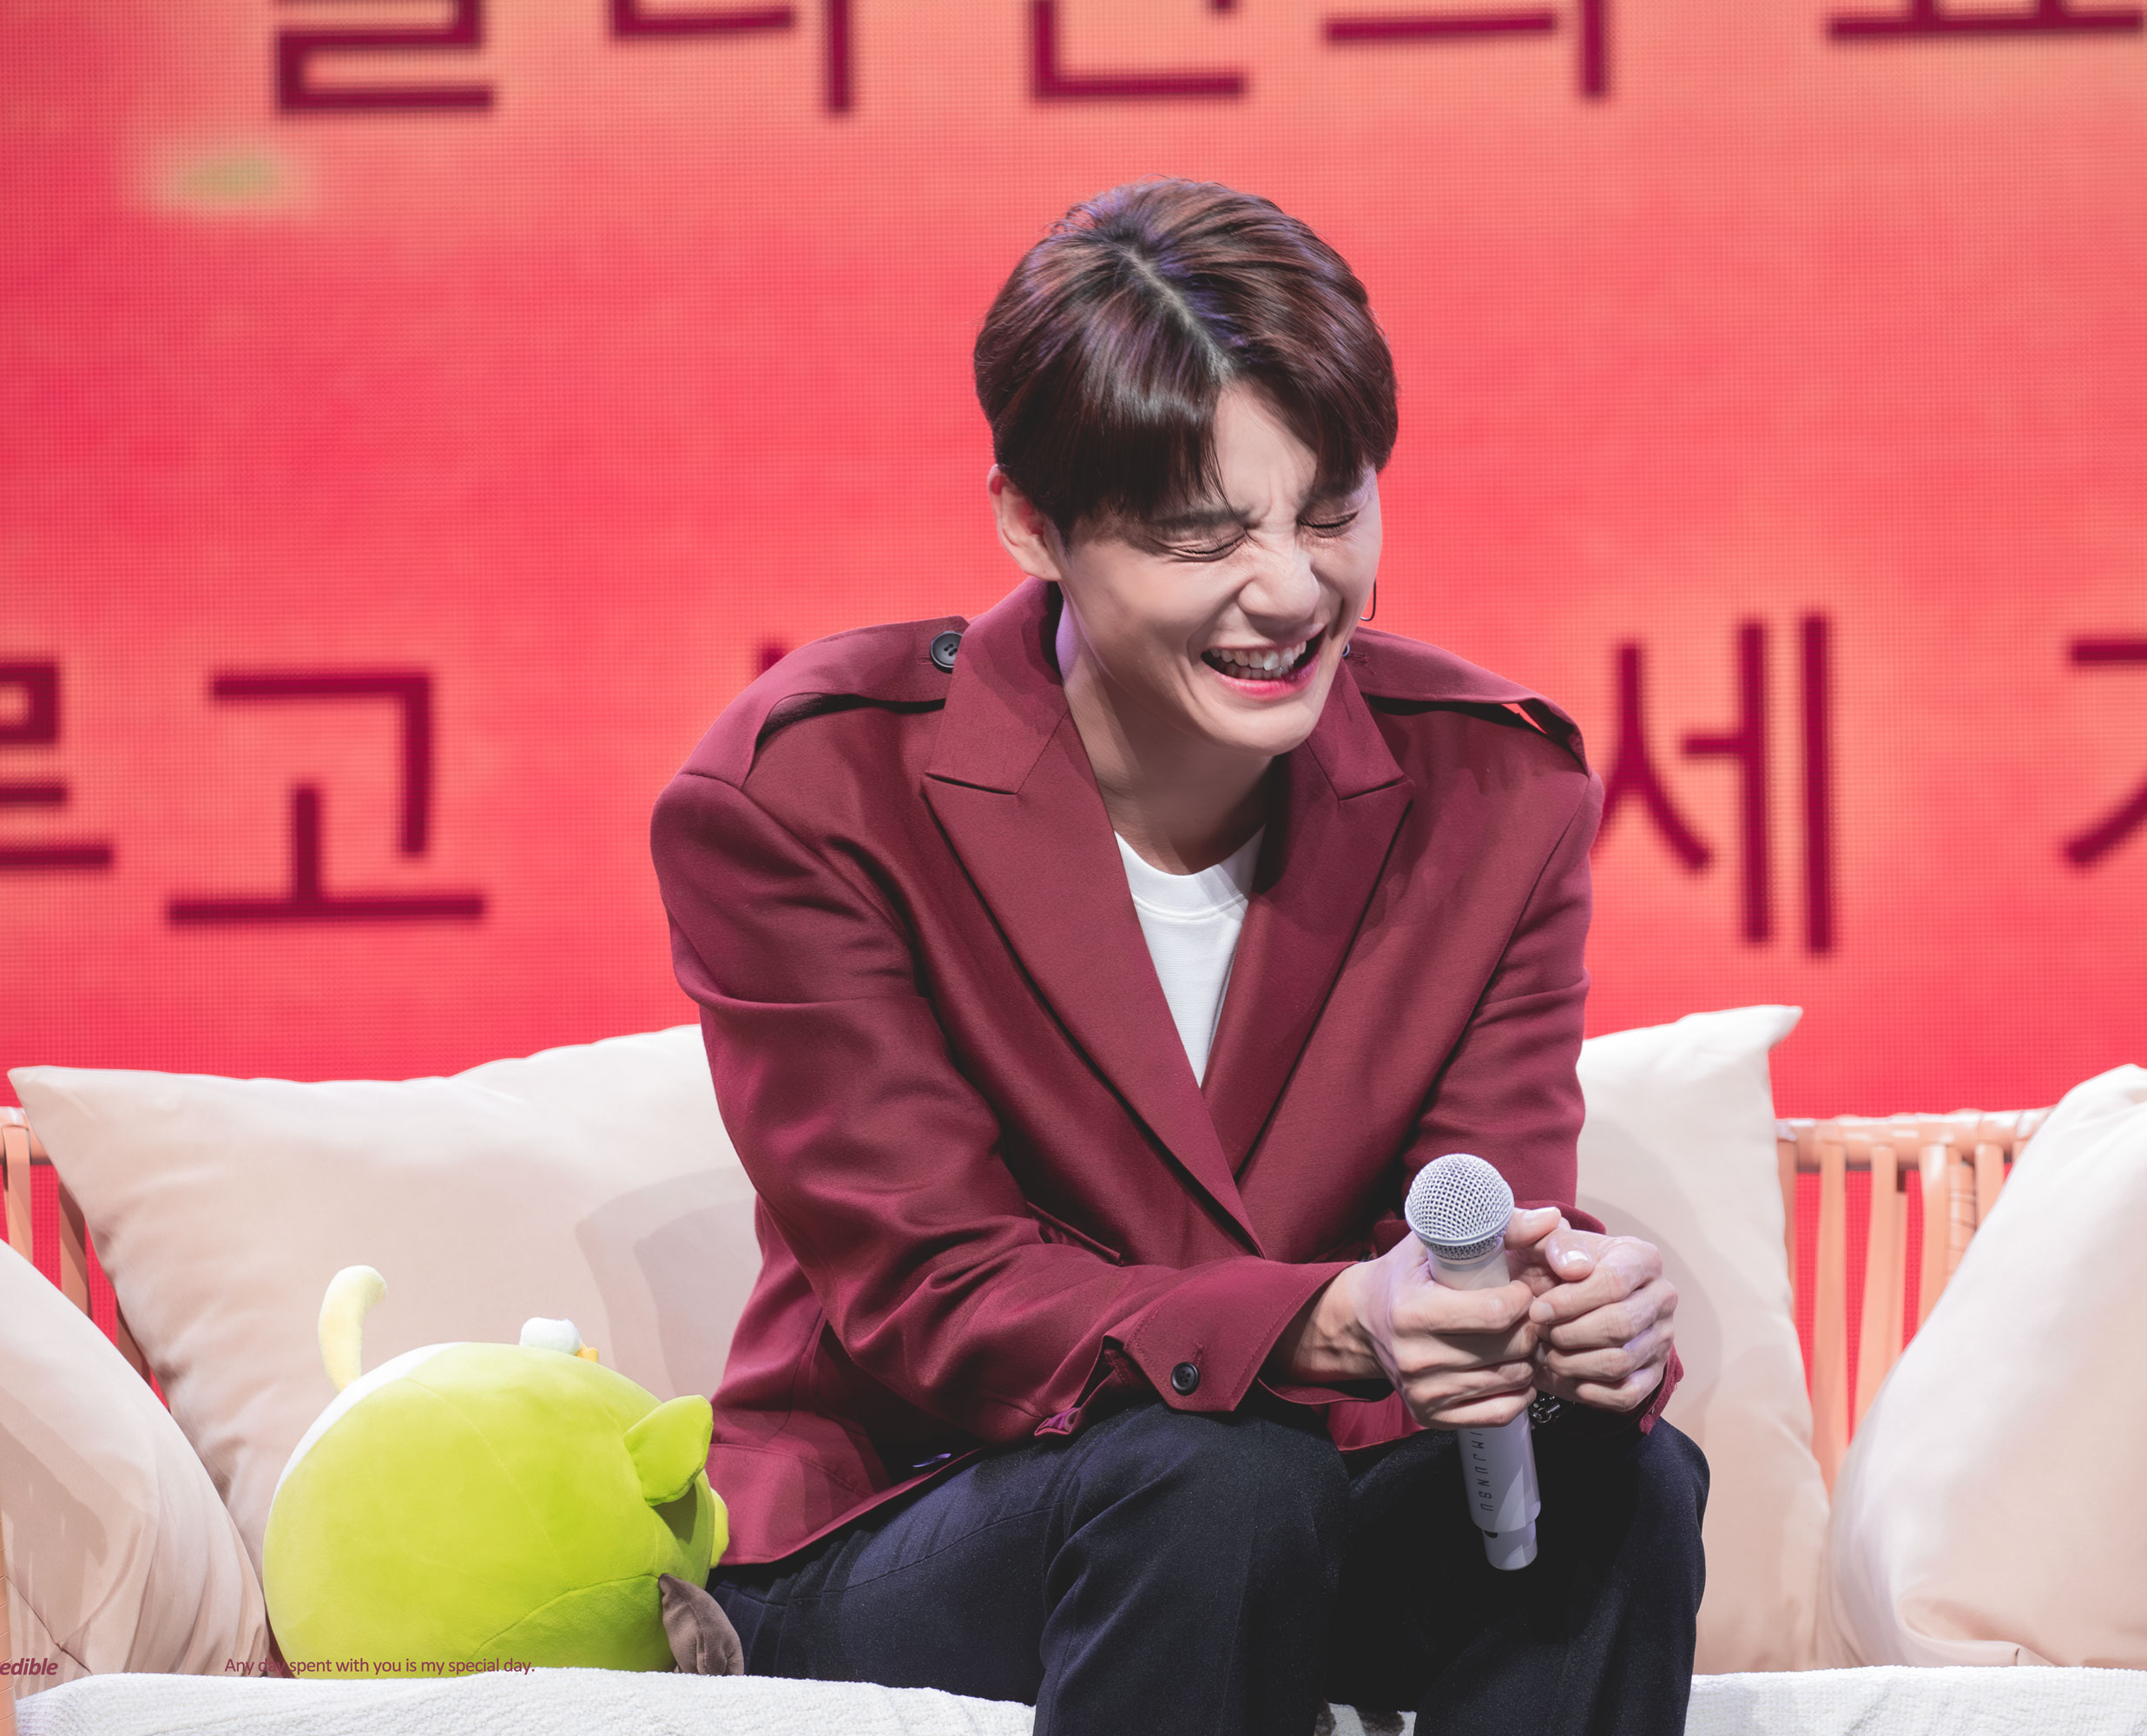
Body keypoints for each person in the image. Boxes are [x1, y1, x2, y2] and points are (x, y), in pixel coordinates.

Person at [649, 177, 1703, 1736]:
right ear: (1032, 522)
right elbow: (939, 1294)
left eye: (1331, 511)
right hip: (919, 1510)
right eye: (1204, 536)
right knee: (1212, 1487)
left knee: (1622, 1485)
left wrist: (1552, 1319)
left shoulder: (1496, 795)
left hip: (1296, 1495)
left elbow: (1473, 1204)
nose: (1291, 589)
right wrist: (1330, 1322)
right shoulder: (814, 792)